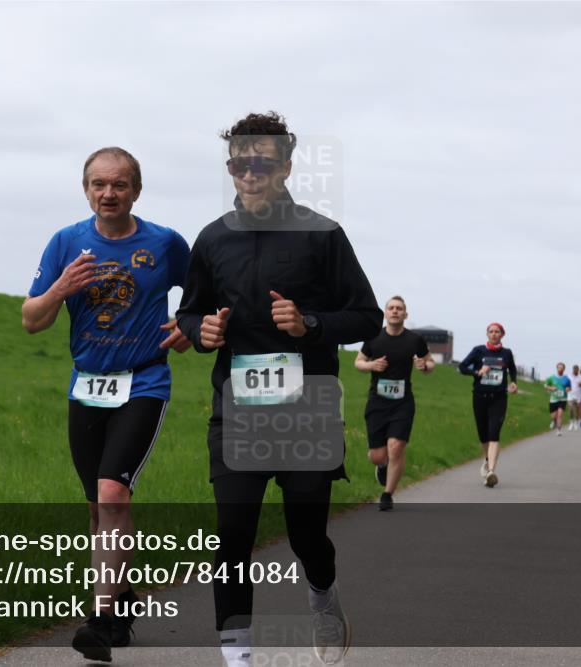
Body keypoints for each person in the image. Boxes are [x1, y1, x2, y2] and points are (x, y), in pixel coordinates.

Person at [177, 111, 382, 667]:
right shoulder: (212, 239)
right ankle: (237, 655)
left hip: (307, 410)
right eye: (240, 162)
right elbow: (190, 311)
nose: (250, 172)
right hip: (238, 410)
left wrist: (309, 325)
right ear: (230, 168)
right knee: (231, 535)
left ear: (286, 166)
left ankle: (322, 595)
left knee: (306, 535)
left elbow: (365, 316)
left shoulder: (323, 234)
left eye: (262, 161)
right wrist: (203, 331)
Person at [22, 147, 192, 662]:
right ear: (86, 189)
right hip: (87, 386)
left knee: (114, 493)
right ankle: (119, 604)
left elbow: (207, 292)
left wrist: (189, 324)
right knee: (98, 507)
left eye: (119, 184)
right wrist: (60, 288)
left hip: (143, 383)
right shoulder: (66, 242)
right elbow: (31, 319)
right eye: (98, 184)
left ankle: (97, 621)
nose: (108, 194)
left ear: (136, 190)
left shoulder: (164, 243)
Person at [354, 296, 435, 511]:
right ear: (386, 313)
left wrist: (424, 366)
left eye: (399, 308)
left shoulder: (414, 340)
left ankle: (387, 494)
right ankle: (382, 466)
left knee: (396, 447)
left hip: (403, 403)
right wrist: (372, 365)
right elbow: (358, 362)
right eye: (391, 308)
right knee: (377, 455)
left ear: (405, 314)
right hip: (377, 402)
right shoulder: (374, 337)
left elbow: (430, 362)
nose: (395, 311)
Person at [458, 323, 518, 488]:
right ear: (487, 334)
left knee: (494, 434)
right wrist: (477, 372)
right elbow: (462, 367)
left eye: (497, 332)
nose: (494, 334)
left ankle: (491, 471)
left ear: (502, 334)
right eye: (491, 331)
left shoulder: (506, 353)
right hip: (479, 397)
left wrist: (513, 383)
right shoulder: (479, 351)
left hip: (498, 399)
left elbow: (512, 369)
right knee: (483, 435)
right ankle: (487, 459)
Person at [545, 363, 571, 436]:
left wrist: (568, 389)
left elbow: (569, 388)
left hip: (563, 399)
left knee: (560, 415)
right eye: (559, 368)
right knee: (553, 416)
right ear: (557, 368)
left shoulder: (567, 378)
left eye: (562, 368)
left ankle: (559, 430)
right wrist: (551, 388)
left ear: (564, 369)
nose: (560, 369)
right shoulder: (551, 378)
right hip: (553, 399)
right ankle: (553, 421)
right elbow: (545, 385)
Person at [567, 364, 581, 431]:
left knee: (577, 410)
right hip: (570, 395)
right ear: (573, 369)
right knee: (571, 409)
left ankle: (576, 422)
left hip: (579, 395)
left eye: (577, 369)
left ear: (578, 370)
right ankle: (571, 422)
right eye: (575, 369)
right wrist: (567, 388)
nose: (576, 371)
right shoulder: (569, 376)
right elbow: (566, 384)